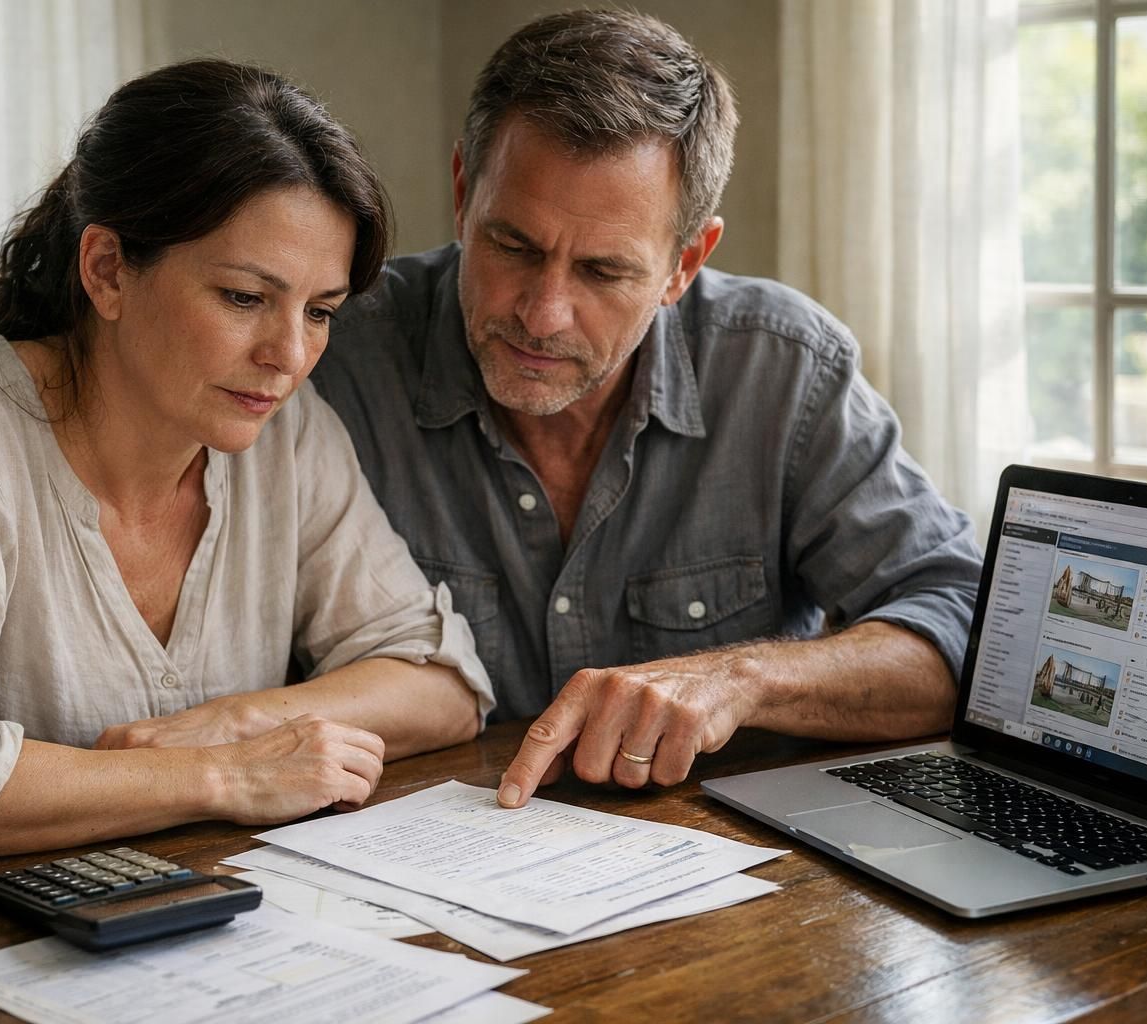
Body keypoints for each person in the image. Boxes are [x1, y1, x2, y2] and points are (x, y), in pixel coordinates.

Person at [0, 60, 492, 881]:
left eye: (319, 312)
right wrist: (228, 774)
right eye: (245, 297)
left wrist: (238, 721)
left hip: (94, 919)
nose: (288, 356)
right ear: (106, 269)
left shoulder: (287, 436)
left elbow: (442, 682)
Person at [308, 9, 983, 809]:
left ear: (684, 263)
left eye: (602, 271)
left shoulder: (782, 370)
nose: (542, 313)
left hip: (737, 883)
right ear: (463, 193)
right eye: (514, 246)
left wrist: (741, 680)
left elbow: (963, 633)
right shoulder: (333, 356)